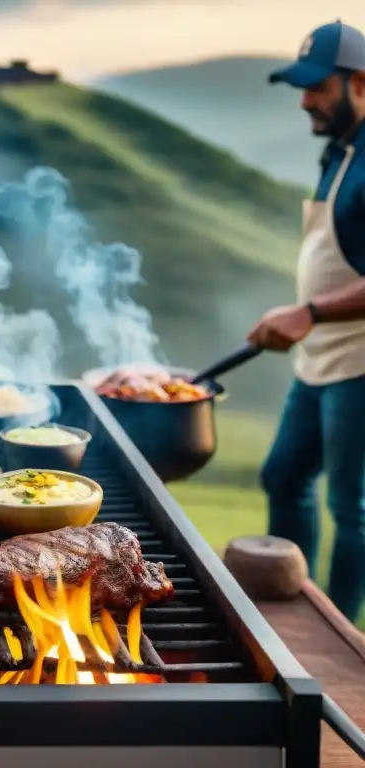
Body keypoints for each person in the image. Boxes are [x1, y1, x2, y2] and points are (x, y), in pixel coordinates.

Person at [248, 20, 365, 623]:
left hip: (360, 360)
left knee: (353, 507)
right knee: (285, 475)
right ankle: (290, 609)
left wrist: (309, 310)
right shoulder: (341, 149)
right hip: (322, 353)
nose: (305, 100)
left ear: (360, 83)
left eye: (316, 87)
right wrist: (301, 317)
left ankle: (340, 630)